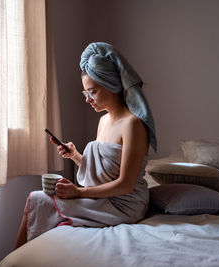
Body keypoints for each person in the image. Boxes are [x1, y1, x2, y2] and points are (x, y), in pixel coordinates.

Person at [14, 42, 157, 249]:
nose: (88, 99)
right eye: (86, 93)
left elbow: (125, 184)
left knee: (38, 200)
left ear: (111, 85)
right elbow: (104, 171)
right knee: (38, 201)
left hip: (124, 204)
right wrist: (74, 155)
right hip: (105, 197)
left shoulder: (133, 125)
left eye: (93, 92)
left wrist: (78, 193)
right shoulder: (104, 121)